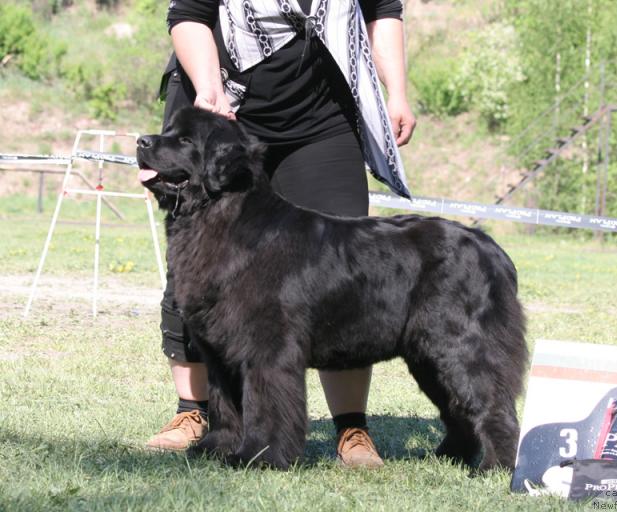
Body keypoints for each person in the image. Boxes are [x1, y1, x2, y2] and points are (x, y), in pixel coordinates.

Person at [145, 0, 416, 468]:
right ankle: (197, 414)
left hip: (321, 118)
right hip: (224, 108)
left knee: (338, 270)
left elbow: (382, 10)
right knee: (201, 268)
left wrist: (397, 91)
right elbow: (188, 12)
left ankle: (350, 427)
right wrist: (210, 89)